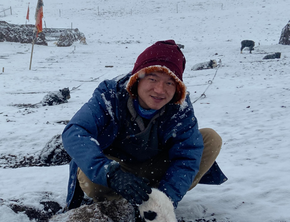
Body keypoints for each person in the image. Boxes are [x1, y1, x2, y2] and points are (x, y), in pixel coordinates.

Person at [62, 40, 227, 210]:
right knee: (90, 177)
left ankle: (154, 199)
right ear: (137, 78)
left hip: (155, 168)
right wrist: (111, 174)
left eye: (170, 82)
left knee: (210, 139)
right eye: (153, 79)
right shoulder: (111, 95)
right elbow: (75, 131)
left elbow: (187, 156)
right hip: (118, 167)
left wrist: (165, 200)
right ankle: (122, 203)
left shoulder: (180, 108)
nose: (160, 90)